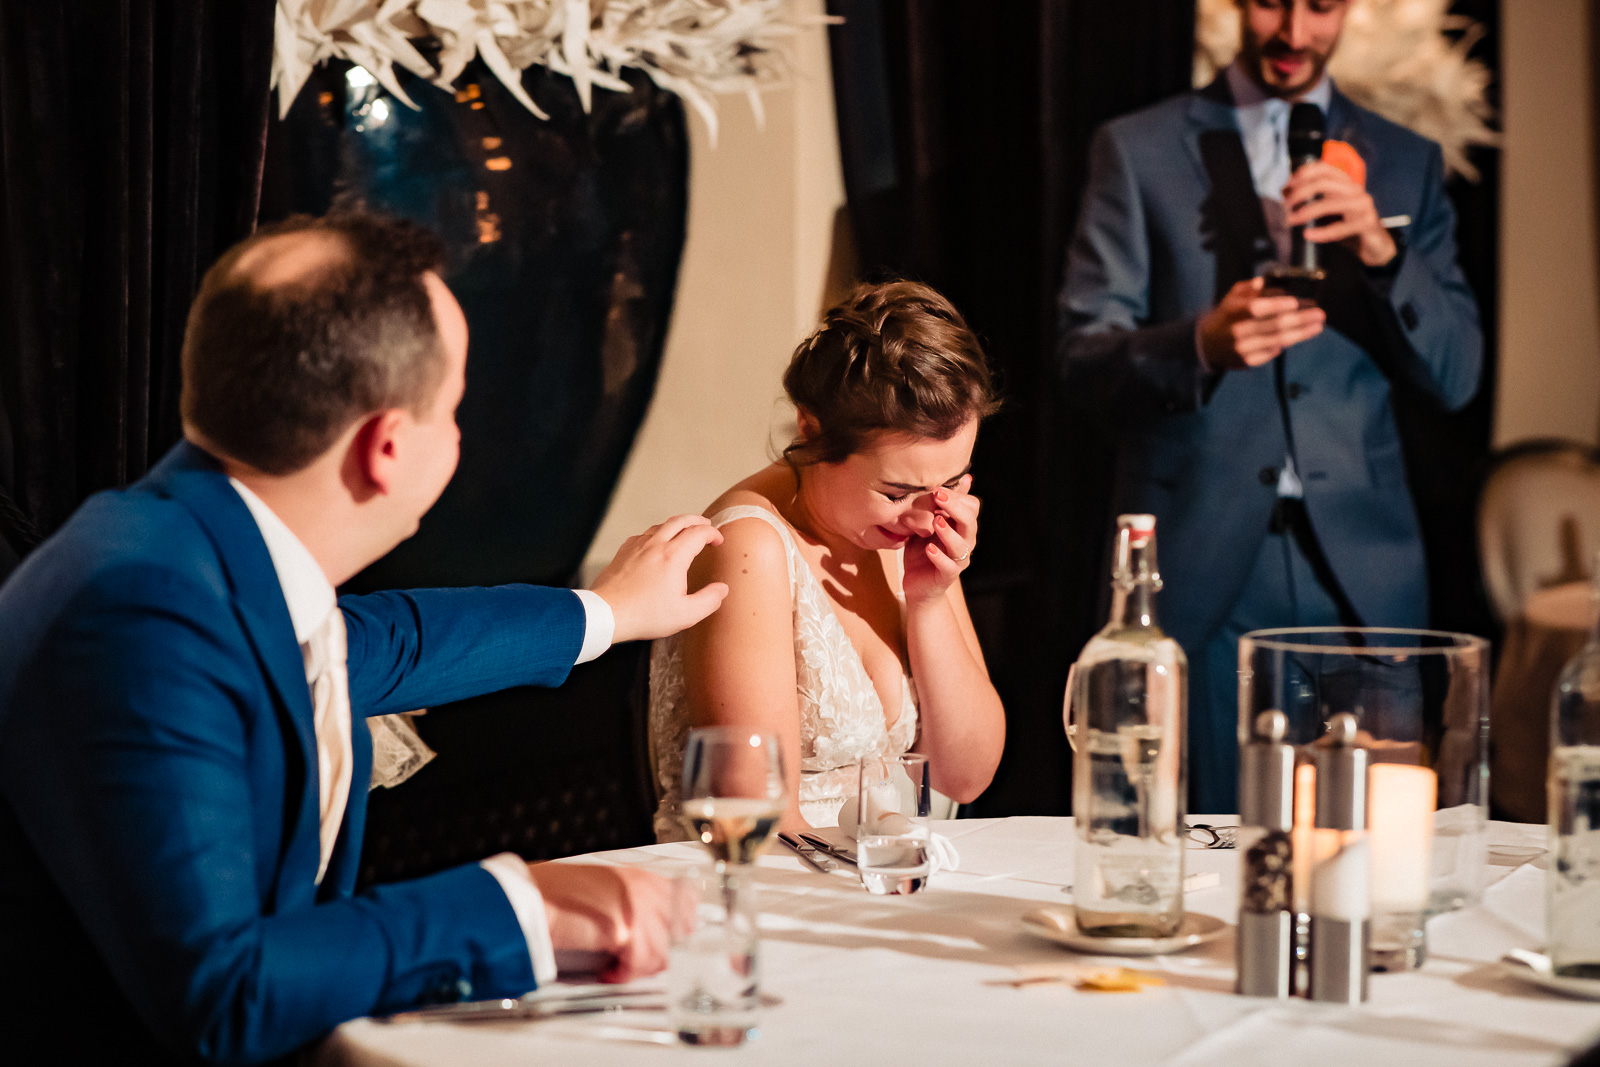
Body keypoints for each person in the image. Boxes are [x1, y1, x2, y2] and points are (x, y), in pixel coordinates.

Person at [0, 212, 729, 1065]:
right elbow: (220, 993)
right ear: (386, 446)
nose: (459, 433)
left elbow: (382, 641)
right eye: (452, 408)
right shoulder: (145, 612)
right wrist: (523, 902)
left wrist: (606, 613)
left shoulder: (187, 544)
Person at [1058, 0, 1482, 812]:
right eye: (1270, 3)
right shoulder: (1138, 148)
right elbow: (1082, 361)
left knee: (1372, 866)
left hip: (1364, 579)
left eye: (1320, 7)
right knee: (1217, 853)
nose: (1293, 33)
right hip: (1206, 565)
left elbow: (1457, 376)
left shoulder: (1405, 161)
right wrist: (1202, 343)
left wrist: (1383, 253)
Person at [649, 280, 1007, 839]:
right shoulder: (748, 548)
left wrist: (930, 601)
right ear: (812, 431)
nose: (923, 516)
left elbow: (966, 778)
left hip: (885, 875)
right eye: (894, 492)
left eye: (951, 482)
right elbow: (756, 825)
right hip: (767, 889)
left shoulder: (906, 531)